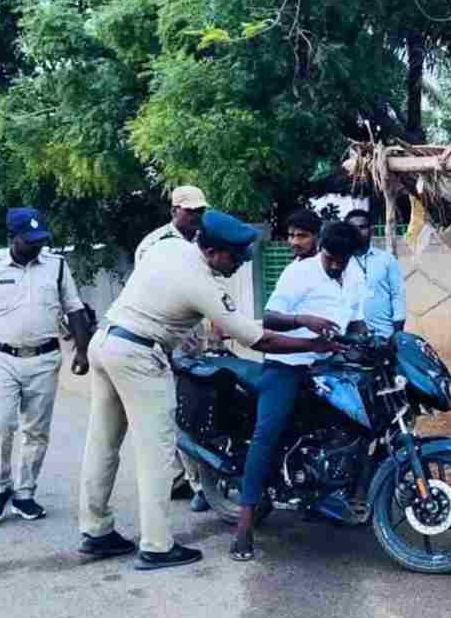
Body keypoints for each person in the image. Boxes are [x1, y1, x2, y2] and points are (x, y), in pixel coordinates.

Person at [77, 210, 335, 570]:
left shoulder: (167, 247)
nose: (239, 266)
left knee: (102, 442)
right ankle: (156, 546)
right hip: (140, 355)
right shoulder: (200, 282)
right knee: (157, 452)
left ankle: (95, 530)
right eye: (236, 259)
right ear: (215, 252)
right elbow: (258, 339)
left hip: (106, 342)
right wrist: (316, 345)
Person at [230, 220, 367, 562]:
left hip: (331, 366)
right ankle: (244, 526)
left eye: (342, 259)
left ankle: (329, 496)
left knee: (356, 423)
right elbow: (271, 318)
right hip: (288, 364)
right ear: (321, 248)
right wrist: (305, 320)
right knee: (267, 434)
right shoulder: (299, 274)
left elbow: (357, 321)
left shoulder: (355, 275)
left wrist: (373, 341)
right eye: (330, 257)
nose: (335, 264)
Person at [0, 208, 92, 525]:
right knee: (1, 425)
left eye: (39, 240)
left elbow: (74, 309)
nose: (36, 246)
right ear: (12, 238)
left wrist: (82, 350)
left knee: (36, 431)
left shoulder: (57, 266)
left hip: (45, 359)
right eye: (29, 240)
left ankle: (25, 494)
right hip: (2, 358)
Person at [134, 185, 212, 512]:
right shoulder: (153, 245)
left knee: (197, 407)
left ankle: (192, 479)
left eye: (199, 211)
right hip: (164, 337)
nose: (195, 217)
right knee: (175, 409)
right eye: (189, 211)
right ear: (174, 210)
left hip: (195, 338)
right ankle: (195, 484)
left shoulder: (205, 241)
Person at [345, 208, 407, 338]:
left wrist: (397, 334)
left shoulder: (386, 259)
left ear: (371, 230)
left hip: (385, 334)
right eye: (352, 228)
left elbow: (398, 295)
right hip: (351, 337)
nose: (357, 231)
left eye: (362, 227)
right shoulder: (340, 261)